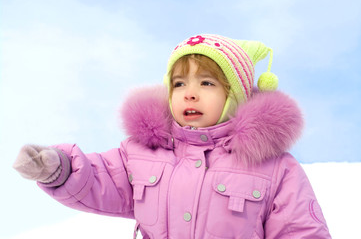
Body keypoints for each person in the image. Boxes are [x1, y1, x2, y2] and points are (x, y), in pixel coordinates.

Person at [13, 34, 332, 239]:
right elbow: (99, 178)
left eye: (206, 83)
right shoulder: (142, 153)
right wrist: (59, 168)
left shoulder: (275, 168)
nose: (189, 94)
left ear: (236, 95)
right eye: (179, 84)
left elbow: (300, 231)